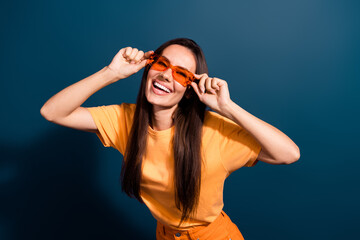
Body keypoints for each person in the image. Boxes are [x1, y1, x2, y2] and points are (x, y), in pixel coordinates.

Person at [40, 38, 300, 240]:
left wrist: (228, 108)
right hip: (165, 234)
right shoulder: (126, 121)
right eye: (162, 64)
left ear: (190, 90)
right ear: (149, 67)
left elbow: (289, 154)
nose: (166, 75)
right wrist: (112, 72)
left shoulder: (213, 130)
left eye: (181, 74)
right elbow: (52, 112)